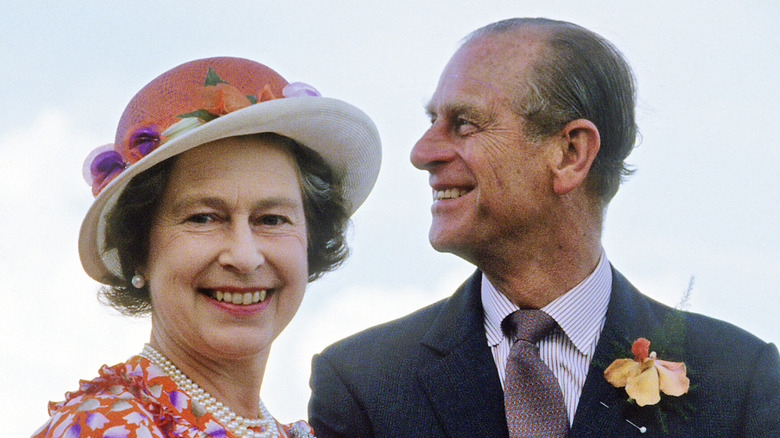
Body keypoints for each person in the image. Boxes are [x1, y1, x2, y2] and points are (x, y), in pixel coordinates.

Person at [308, 18, 780, 437]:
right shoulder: (363, 382)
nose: (421, 152)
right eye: (433, 120)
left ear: (570, 154)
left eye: (465, 123)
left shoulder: (739, 380)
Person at [33, 56, 381, 438]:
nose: (245, 257)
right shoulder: (110, 426)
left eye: (272, 220)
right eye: (203, 218)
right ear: (139, 251)